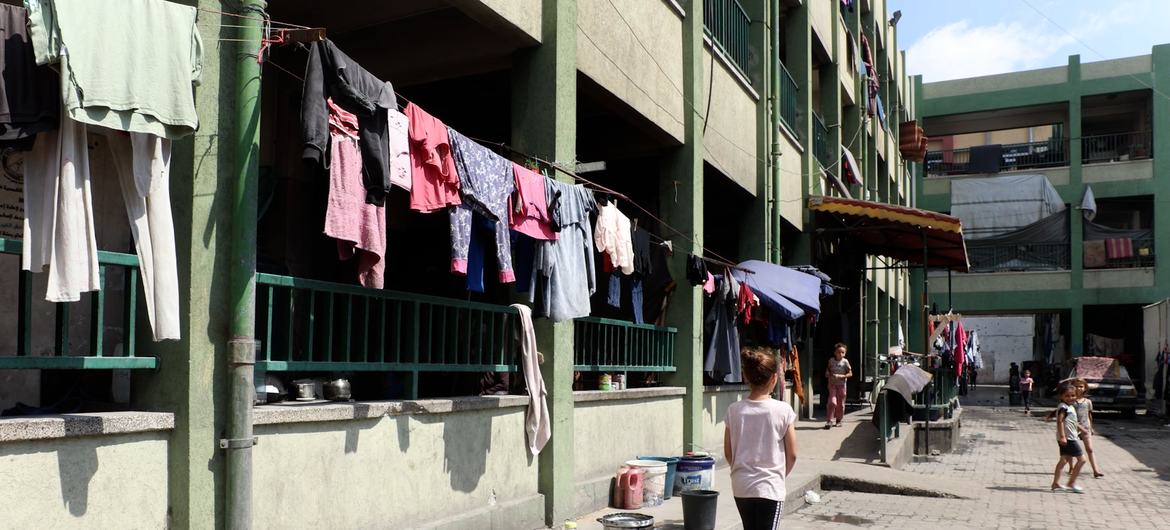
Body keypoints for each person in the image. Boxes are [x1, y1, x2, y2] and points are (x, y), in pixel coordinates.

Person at [725, 346, 798, 530]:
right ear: (774, 378)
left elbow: (728, 452)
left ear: (745, 377)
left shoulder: (734, 410)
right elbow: (793, 454)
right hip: (770, 487)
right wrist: (779, 476)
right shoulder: (783, 410)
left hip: (741, 486)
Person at [1051, 381, 1087, 493]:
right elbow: (1060, 421)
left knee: (1063, 460)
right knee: (1082, 460)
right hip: (1068, 439)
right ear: (1060, 396)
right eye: (1067, 396)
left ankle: (1055, 483)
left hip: (1069, 437)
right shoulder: (1063, 408)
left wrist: (1082, 428)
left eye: (1073, 395)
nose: (1070, 398)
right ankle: (1071, 483)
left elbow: (1072, 421)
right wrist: (1062, 436)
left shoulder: (1069, 407)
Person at [1071, 379, 1104, 478]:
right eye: (1076, 386)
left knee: (1089, 449)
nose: (1079, 388)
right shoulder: (1070, 400)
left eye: (1081, 386)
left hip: (1086, 428)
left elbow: (1089, 415)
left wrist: (1091, 427)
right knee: (1071, 450)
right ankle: (1071, 467)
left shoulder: (1088, 402)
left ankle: (1095, 470)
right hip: (1073, 427)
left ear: (1085, 388)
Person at [824, 343, 852, 428]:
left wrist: (842, 376)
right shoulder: (831, 361)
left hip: (842, 385)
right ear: (835, 352)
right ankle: (829, 420)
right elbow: (828, 370)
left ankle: (839, 420)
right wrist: (828, 374)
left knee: (841, 404)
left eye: (843, 352)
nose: (840, 354)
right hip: (832, 385)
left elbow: (850, 373)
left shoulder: (845, 362)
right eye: (838, 352)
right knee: (832, 402)